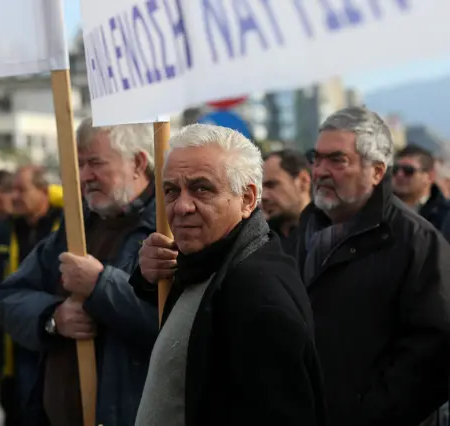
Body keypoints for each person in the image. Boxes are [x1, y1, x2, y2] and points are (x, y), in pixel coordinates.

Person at [130, 124, 326, 426]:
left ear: (247, 199)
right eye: (171, 190)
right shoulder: (207, 262)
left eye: (202, 189)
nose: (181, 207)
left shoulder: (258, 297)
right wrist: (147, 279)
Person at [0, 118, 159, 426]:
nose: (84, 176)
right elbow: (10, 295)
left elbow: (170, 326)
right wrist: (53, 317)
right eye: (80, 164)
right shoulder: (77, 226)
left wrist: (101, 285)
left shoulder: (169, 228)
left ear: (138, 162)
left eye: (95, 163)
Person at [295, 106, 450, 426]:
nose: (320, 170)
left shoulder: (418, 243)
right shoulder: (304, 229)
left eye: (337, 160)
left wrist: (368, 414)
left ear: (377, 171)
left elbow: (432, 353)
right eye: (316, 157)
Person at [0, 165, 64, 426]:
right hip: (19, 334)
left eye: (22, 189)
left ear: (44, 191)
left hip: (57, 331)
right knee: (20, 410)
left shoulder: (66, 222)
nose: (15, 196)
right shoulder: (9, 227)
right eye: (12, 190)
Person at [392, 144, 450, 236]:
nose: (399, 175)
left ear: (430, 176)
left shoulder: (445, 215)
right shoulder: (380, 206)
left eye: (408, 170)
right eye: (395, 169)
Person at [261, 149, 312, 250]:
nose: (263, 196)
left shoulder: (331, 236)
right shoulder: (258, 241)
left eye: (271, 185)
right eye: (260, 188)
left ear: (303, 181)